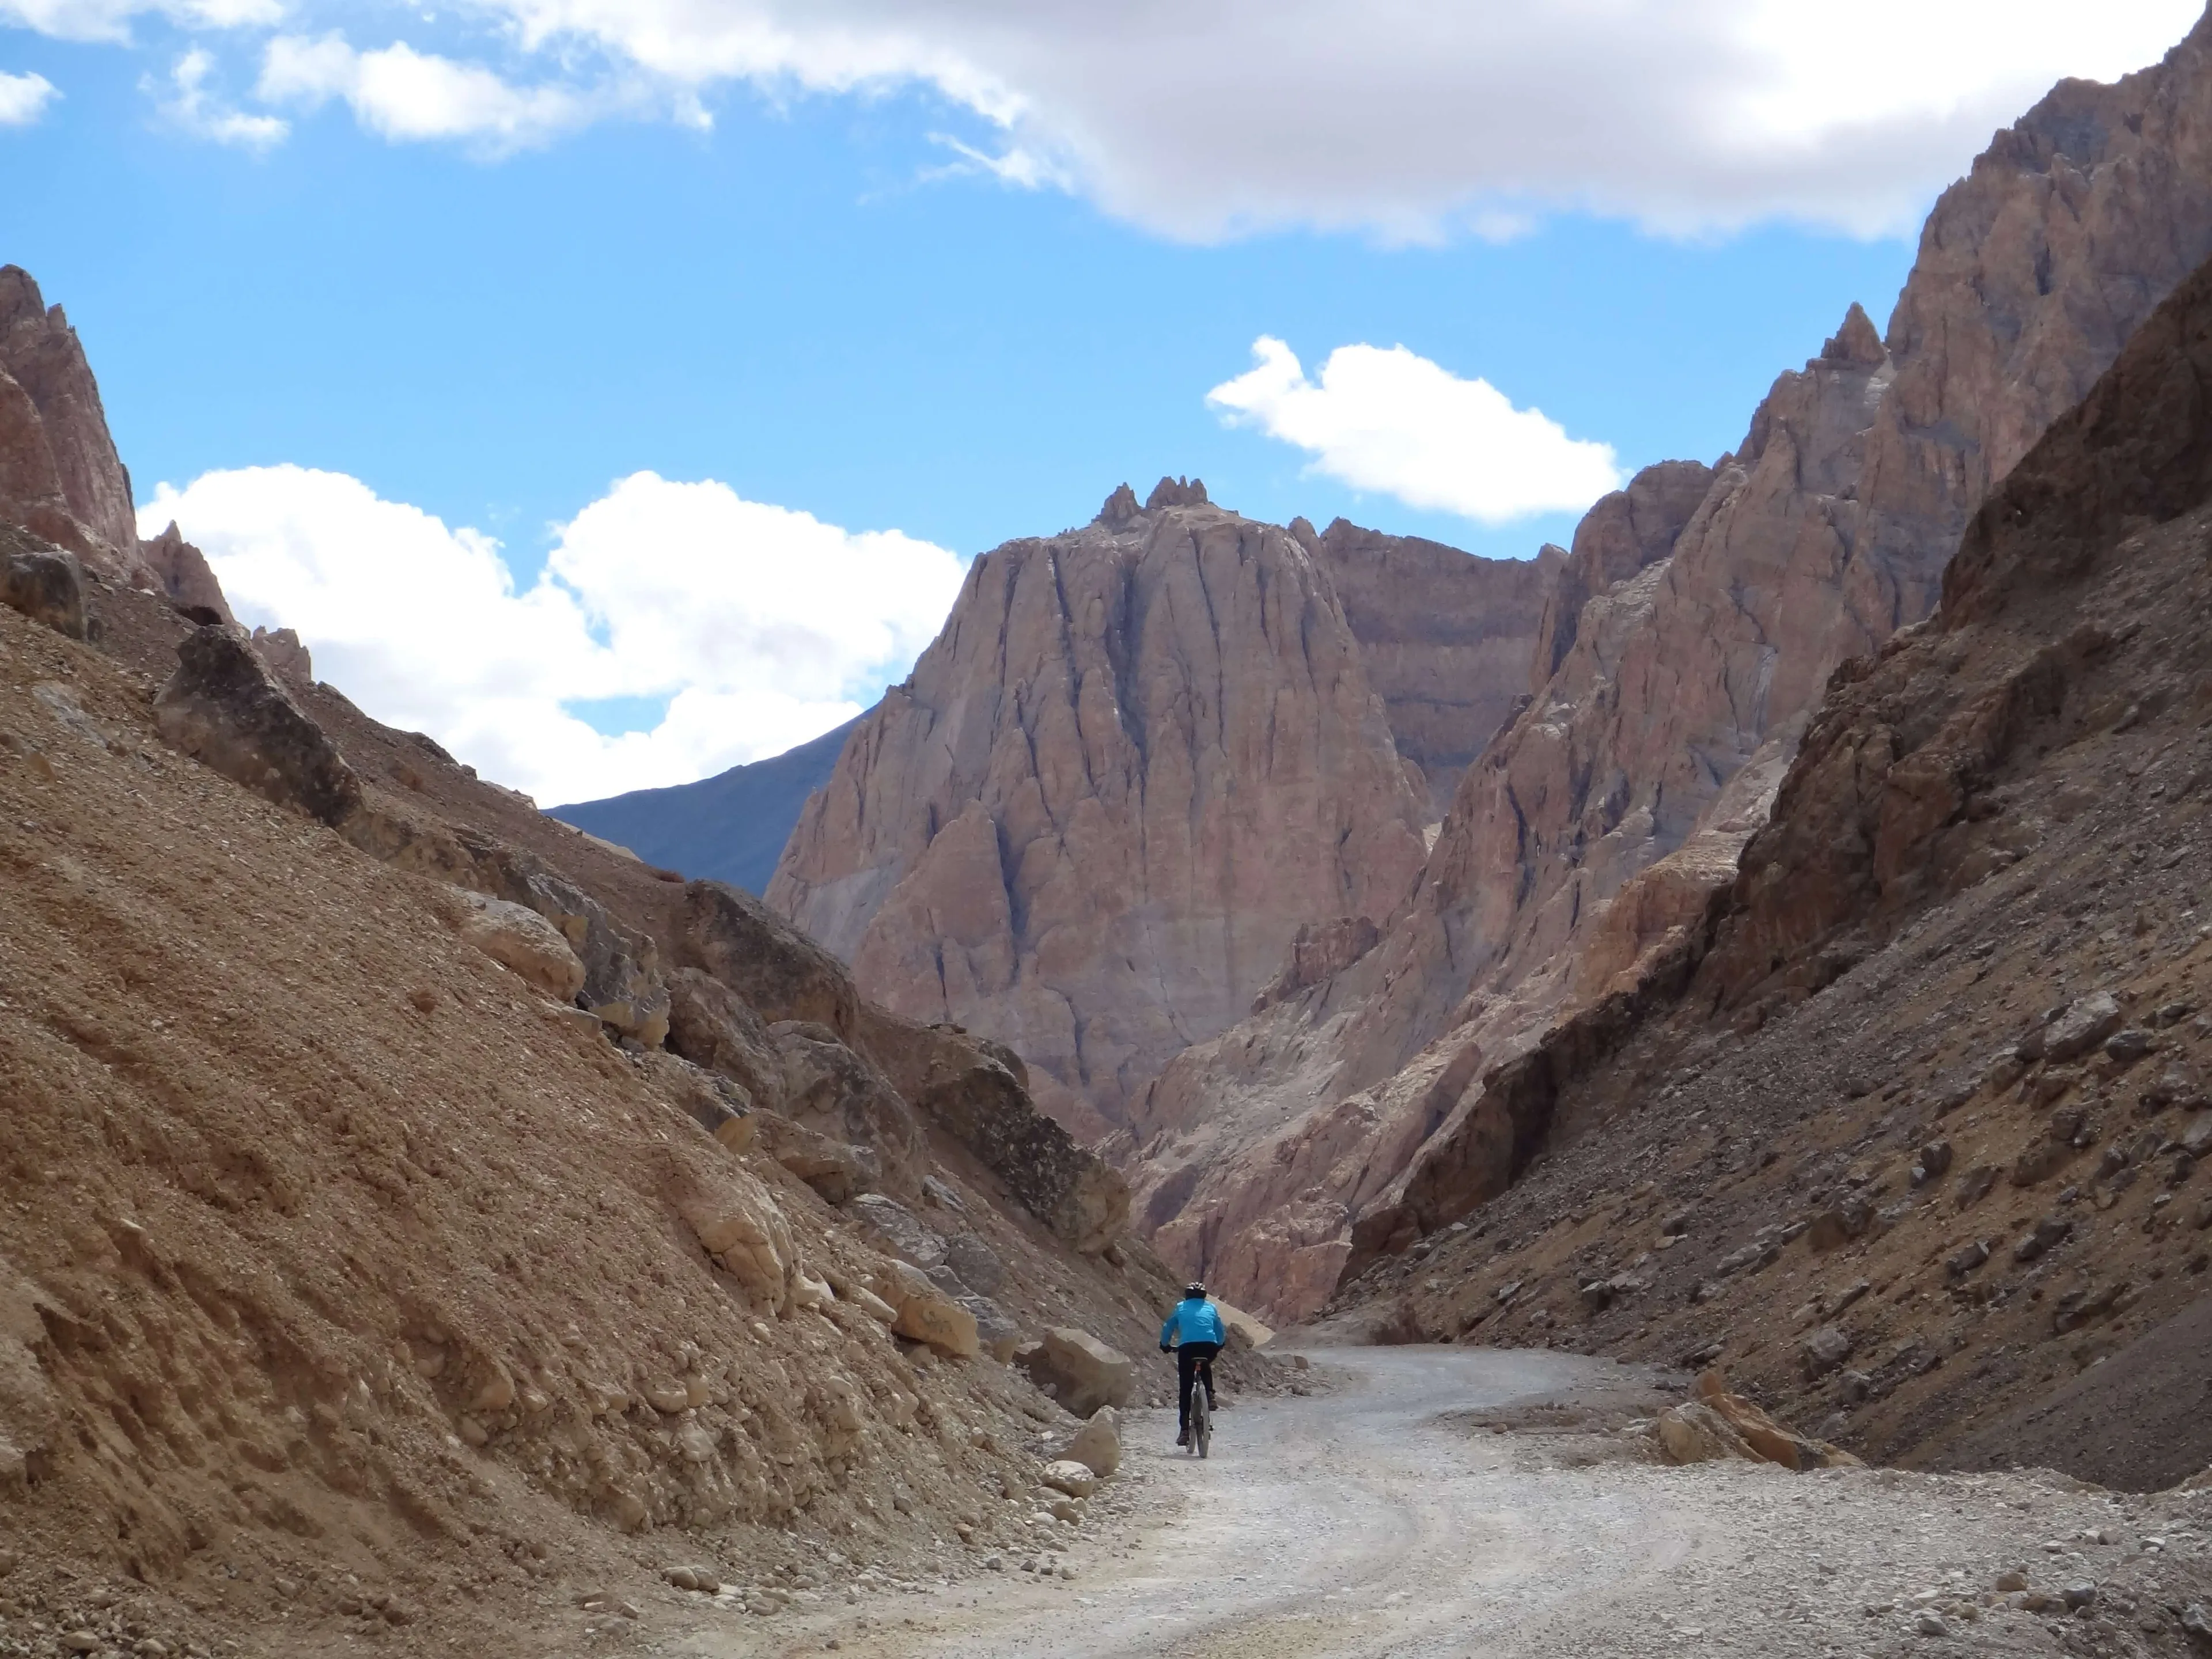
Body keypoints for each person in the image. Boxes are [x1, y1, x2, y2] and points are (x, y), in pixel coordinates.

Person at [1158, 1282, 1226, 1446]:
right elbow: (1220, 1329)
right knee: (1205, 1364)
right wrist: (1219, 1344)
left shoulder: (1181, 1307)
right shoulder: (1211, 1307)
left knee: (1186, 1389)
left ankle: (1184, 1431)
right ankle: (1210, 1395)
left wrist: (1165, 1345)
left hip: (1187, 1348)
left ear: (1187, 1295)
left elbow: (1168, 1327)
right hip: (1209, 1346)